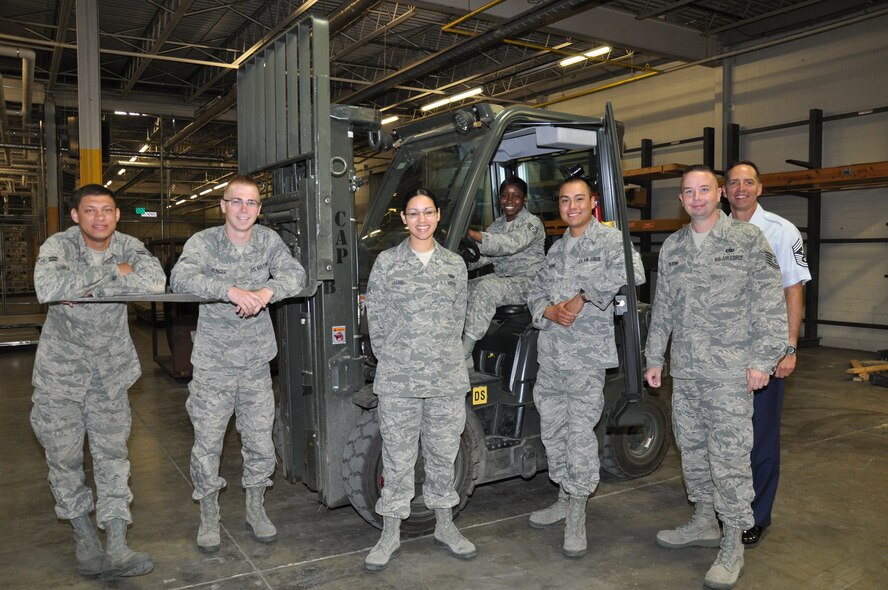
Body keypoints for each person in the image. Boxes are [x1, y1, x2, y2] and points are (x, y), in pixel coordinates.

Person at [644, 165, 786, 590]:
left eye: (704, 189)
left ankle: (733, 542)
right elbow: (663, 307)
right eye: (688, 192)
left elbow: (770, 305)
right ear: (681, 199)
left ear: (719, 193)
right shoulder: (673, 247)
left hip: (729, 372)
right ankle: (705, 520)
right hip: (686, 372)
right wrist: (655, 357)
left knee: (729, 458)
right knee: (693, 450)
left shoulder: (745, 240)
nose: (697, 197)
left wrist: (764, 360)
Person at [30, 184, 165, 578]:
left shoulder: (129, 245)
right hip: (61, 378)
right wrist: (114, 274)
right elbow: (48, 287)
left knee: (113, 459)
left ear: (117, 214)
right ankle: (85, 538)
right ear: (75, 215)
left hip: (110, 375)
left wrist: (83, 283)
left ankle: (118, 544)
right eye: (90, 211)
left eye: (107, 210)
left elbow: (154, 282)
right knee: (65, 459)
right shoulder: (59, 246)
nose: (99, 218)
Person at [170, 174, 306, 553]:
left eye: (251, 203)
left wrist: (266, 291)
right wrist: (230, 290)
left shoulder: (268, 242)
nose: (243, 209)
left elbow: (295, 274)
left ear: (259, 211)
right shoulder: (204, 242)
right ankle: (209, 514)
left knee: (260, 441)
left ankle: (255, 508)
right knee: (208, 443)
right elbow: (181, 277)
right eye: (236, 202)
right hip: (214, 364)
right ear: (223, 206)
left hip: (256, 364)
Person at [525, 176, 644, 558]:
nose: (571, 206)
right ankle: (563, 495)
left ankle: (577, 509)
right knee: (553, 432)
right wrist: (547, 310)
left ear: (593, 203)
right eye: (564, 200)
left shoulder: (609, 240)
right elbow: (535, 291)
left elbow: (634, 271)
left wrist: (582, 297)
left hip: (586, 360)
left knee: (579, 435)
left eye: (579, 199)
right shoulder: (556, 249)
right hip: (552, 358)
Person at [363, 189, 476, 571]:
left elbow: (458, 317)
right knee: (397, 456)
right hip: (399, 379)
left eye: (428, 212)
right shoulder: (387, 263)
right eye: (414, 213)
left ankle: (445, 525)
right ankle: (390, 532)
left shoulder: (454, 265)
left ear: (438, 216)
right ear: (404, 218)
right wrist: (395, 357)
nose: (422, 219)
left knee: (444, 453)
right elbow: (375, 318)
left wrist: (441, 354)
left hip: (445, 377)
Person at [725, 160, 811, 548]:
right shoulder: (714, 230)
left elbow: (793, 290)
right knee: (725, 436)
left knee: (760, 437)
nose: (740, 189)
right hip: (721, 355)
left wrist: (788, 348)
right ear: (724, 191)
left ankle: (756, 517)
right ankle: (727, 509)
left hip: (764, 353)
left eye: (748, 182)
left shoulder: (781, 231)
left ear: (760, 188)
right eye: (733, 183)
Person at [462, 177, 545, 364]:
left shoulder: (531, 224)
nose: (509, 201)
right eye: (505, 196)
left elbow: (509, 245)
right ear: (499, 198)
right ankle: (457, 346)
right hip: (503, 278)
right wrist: (459, 261)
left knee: (487, 288)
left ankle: (464, 351)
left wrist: (471, 233)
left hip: (529, 281)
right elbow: (485, 256)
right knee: (460, 288)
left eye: (516, 196)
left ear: (524, 199)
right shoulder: (497, 225)